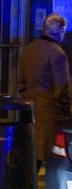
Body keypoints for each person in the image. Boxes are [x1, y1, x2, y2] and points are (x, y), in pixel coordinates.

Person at [18, 13, 72, 171]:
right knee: (55, 160)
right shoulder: (58, 54)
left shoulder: (28, 49)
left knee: (32, 159)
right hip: (51, 115)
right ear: (60, 31)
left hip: (30, 110)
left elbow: (20, 83)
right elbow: (61, 88)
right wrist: (67, 109)